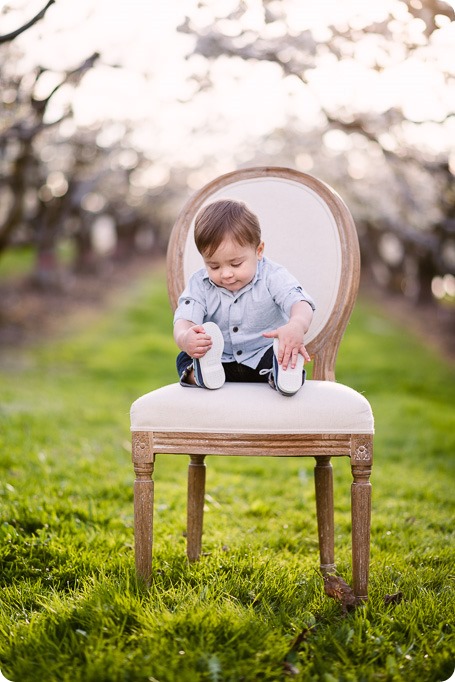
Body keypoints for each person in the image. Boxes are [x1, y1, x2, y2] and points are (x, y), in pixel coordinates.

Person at [173, 199, 315, 396]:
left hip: (262, 356)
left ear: (258, 251)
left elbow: (299, 302)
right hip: (220, 362)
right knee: (184, 358)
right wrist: (185, 338)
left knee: (284, 353)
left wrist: (296, 325)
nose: (225, 274)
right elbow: (185, 319)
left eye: (236, 264)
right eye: (214, 266)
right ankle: (199, 374)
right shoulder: (200, 283)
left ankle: (282, 373)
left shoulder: (273, 276)